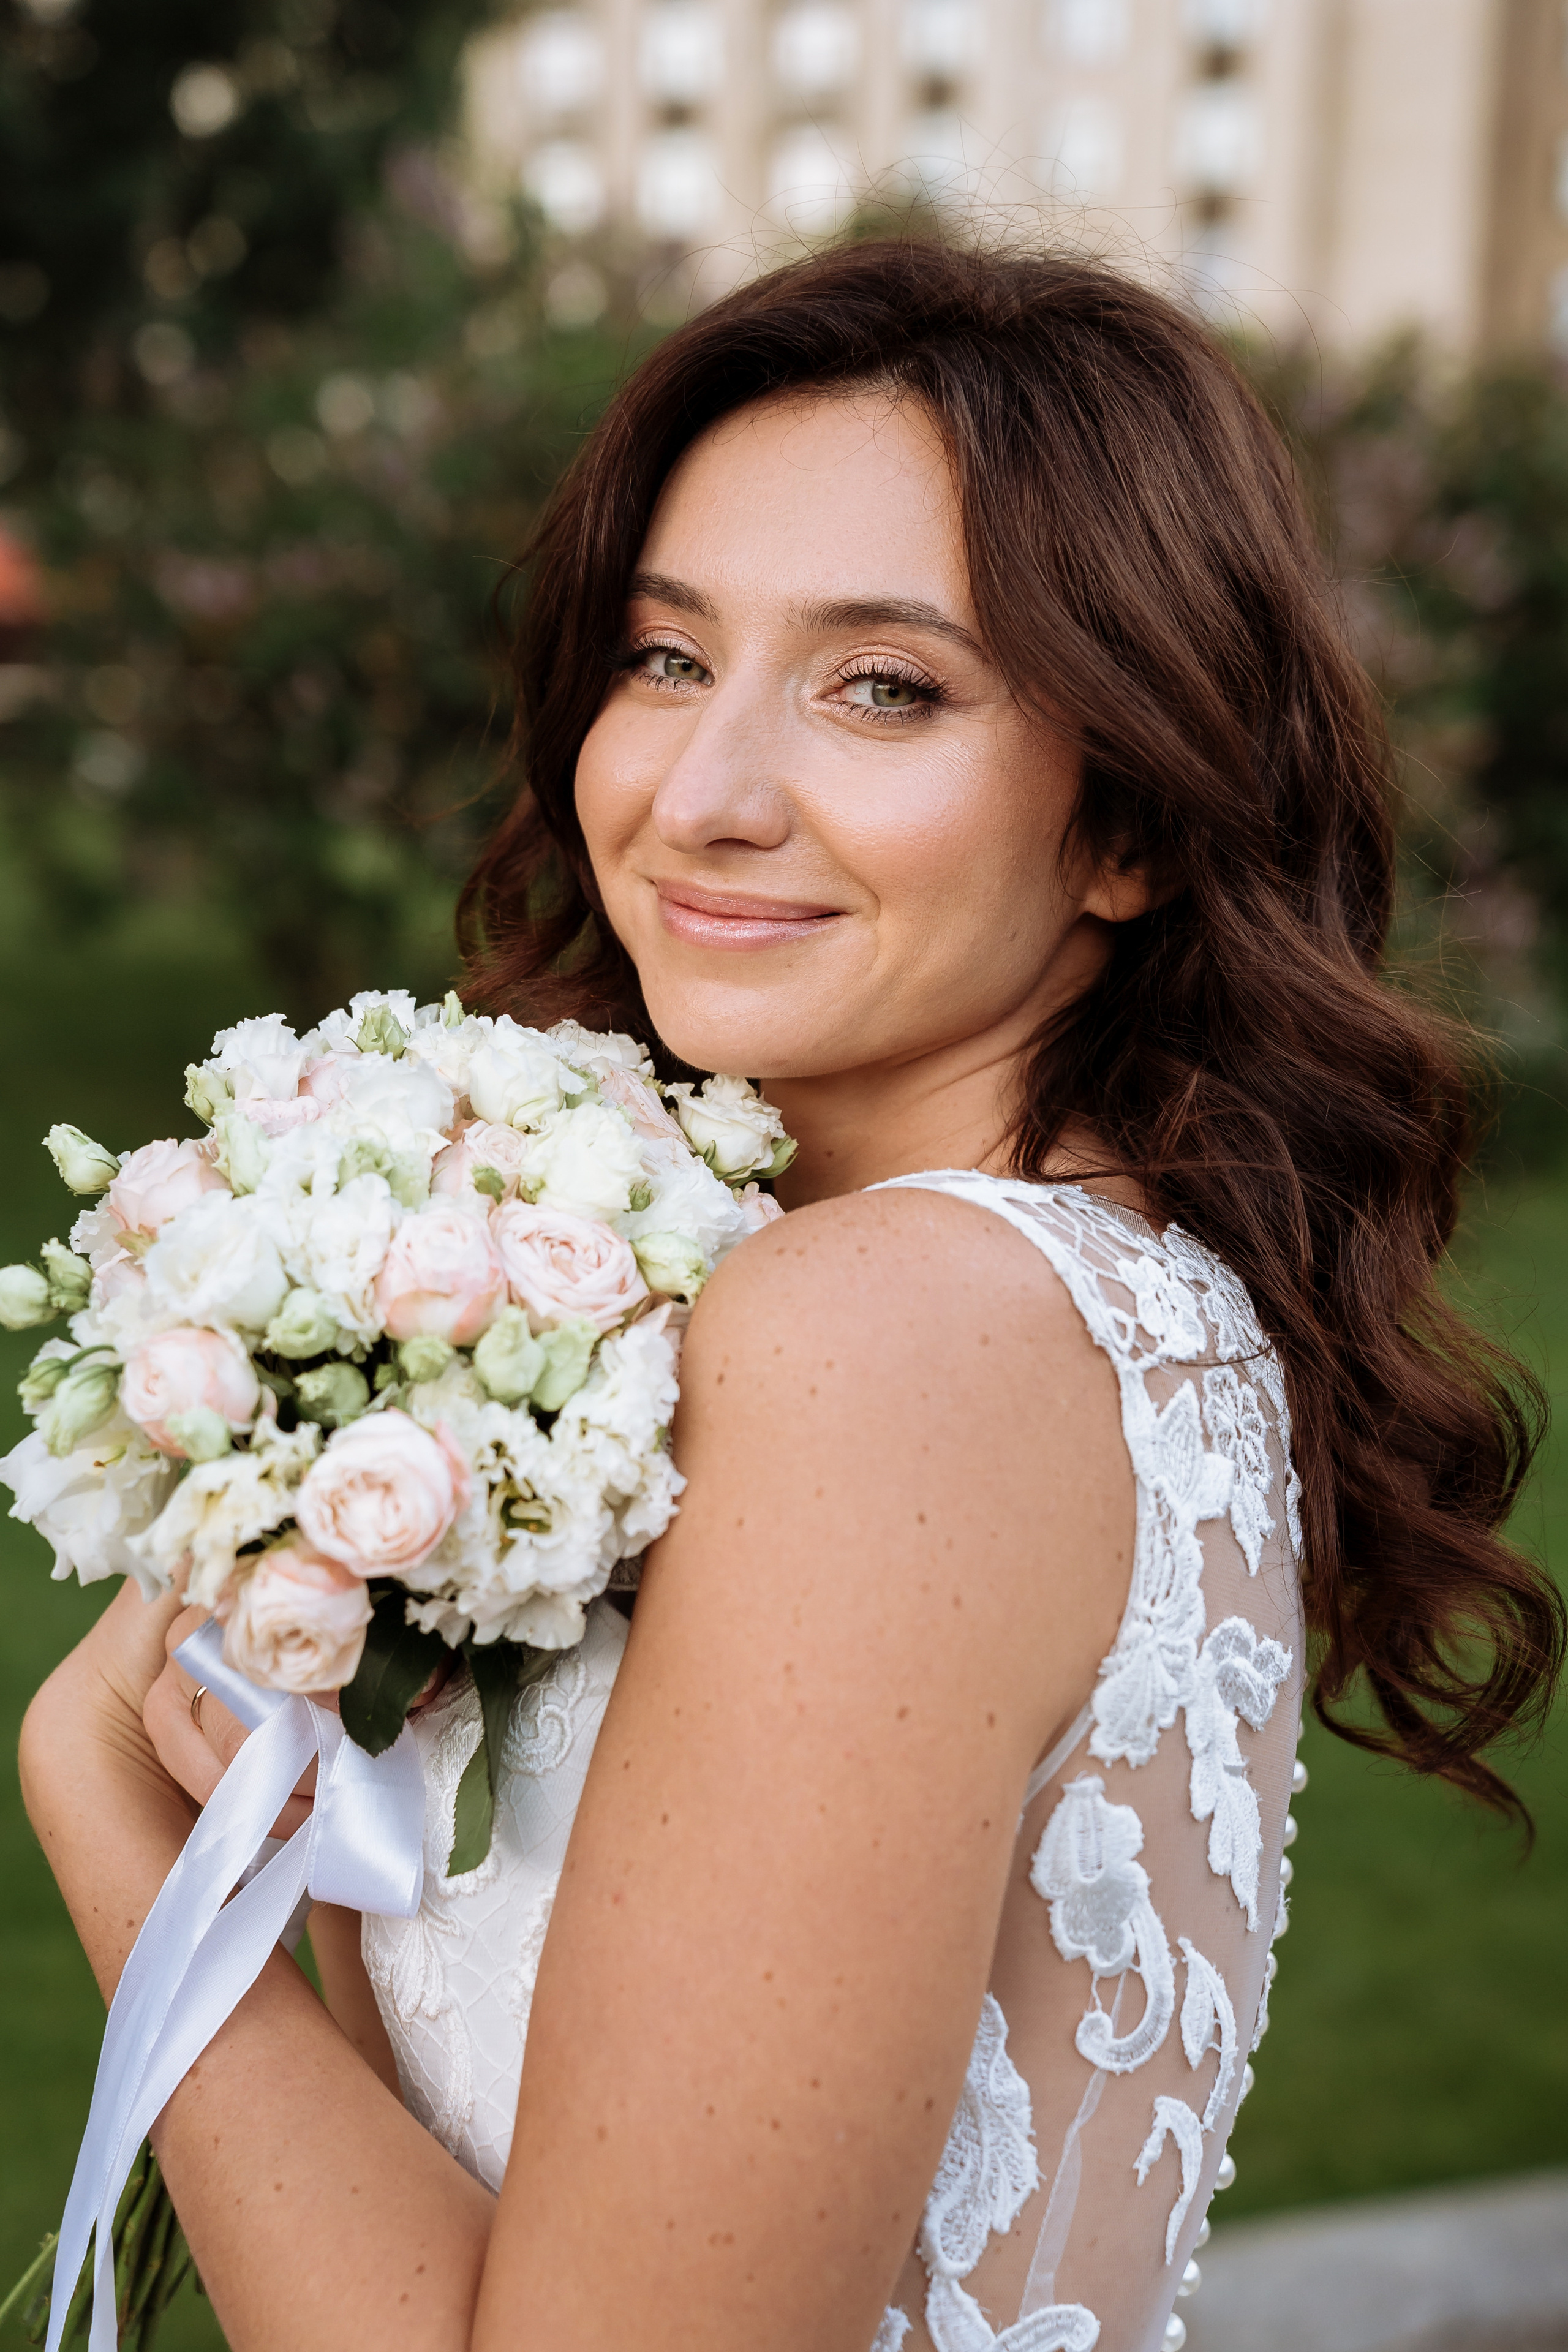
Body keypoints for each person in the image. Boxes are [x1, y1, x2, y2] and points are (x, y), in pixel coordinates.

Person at [20, 239, 1563, 2352]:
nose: (705, 796)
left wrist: (102, 1805)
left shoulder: (886, 1338)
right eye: (665, 658)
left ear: (1126, 817)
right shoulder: (1095, 1301)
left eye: (884, 685)